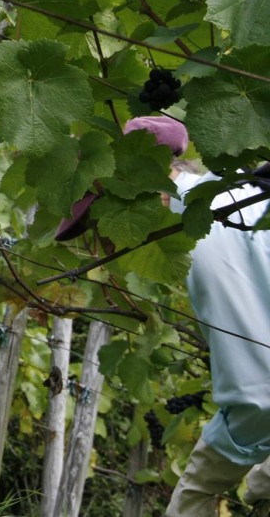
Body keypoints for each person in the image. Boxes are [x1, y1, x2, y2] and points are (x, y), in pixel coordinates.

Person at [54, 117, 270, 516]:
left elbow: (259, 396)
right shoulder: (231, 192)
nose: (101, 242)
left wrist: (200, 485)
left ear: (137, 190)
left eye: (98, 218)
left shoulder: (203, 242)